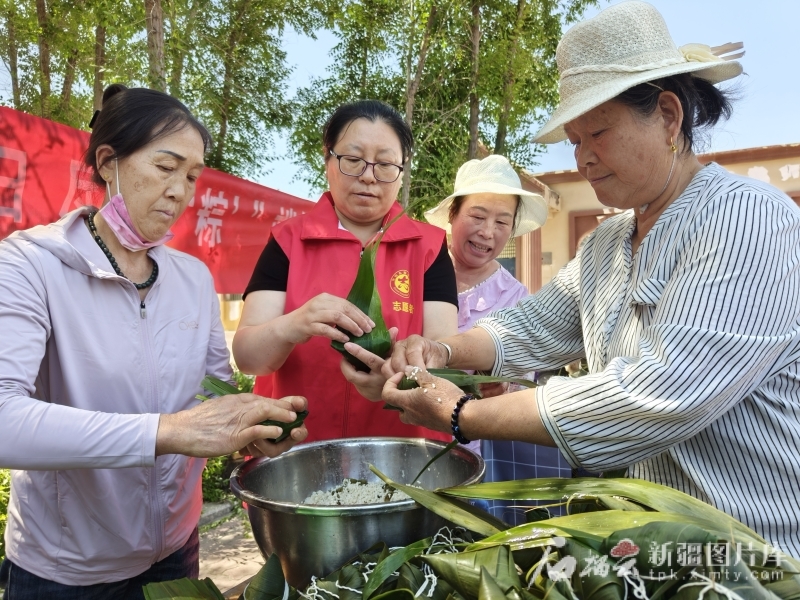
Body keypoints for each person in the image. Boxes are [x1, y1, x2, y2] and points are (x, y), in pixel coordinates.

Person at [380, 0, 800, 556]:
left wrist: (465, 414)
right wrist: (440, 348)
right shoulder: (605, 242)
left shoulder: (746, 217)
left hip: (751, 556)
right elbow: (532, 324)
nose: (582, 158)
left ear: (669, 117)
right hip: (643, 549)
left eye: (597, 133)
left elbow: (661, 395)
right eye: (574, 141)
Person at [0, 84, 307, 599]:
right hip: (66, 569)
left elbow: (212, 397)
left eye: (191, 177)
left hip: (175, 553)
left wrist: (247, 431)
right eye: (165, 168)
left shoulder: (192, 278)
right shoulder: (30, 264)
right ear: (107, 161)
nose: (181, 191)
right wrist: (164, 432)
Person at [233, 100, 458, 443]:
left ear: (401, 172)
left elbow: (444, 354)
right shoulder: (287, 240)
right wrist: (293, 324)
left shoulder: (429, 246)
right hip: (298, 445)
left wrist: (394, 376)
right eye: (353, 160)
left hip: (406, 447)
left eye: (385, 164)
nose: (369, 175)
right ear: (328, 161)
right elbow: (248, 357)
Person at [424, 155, 570, 522]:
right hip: (416, 437)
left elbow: (528, 384)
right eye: (477, 216)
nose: (488, 232)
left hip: (479, 451)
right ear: (452, 216)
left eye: (502, 222)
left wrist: (503, 390)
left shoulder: (516, 298)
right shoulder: (418, 271)